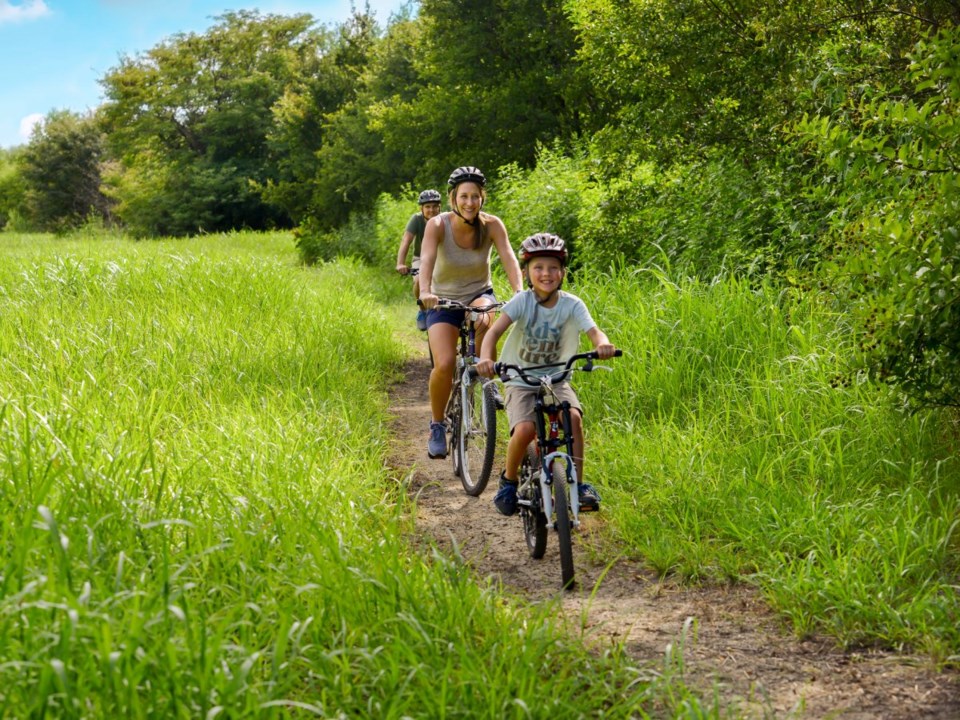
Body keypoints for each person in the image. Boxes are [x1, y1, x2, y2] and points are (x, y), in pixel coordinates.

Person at [476, 233, 616, 516]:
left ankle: (578, 483)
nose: (546, 274)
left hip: (556, 378)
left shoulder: (572, 304)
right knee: (526, 429)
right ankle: (508, 479)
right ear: (527, 272)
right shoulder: (522, 302)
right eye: (538, 267)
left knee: (572, 418)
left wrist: (601, 344)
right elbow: (493, 333)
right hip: (519, 379)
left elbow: (593, 331)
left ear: (563, 272)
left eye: (553, 267)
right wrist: (487, 358)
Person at [418, 166, 524, 459]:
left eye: (475, 196)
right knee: (445, 363)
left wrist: (519, 292)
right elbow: (426, 260)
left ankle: (482, 372)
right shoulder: (437, 225)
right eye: (464, 196)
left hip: (479, 294)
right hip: (443, 300)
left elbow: (509, 258)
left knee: (484, 316)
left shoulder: (492, 225)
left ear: (482, 198)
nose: (469, 202)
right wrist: (425, 291)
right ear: (453, 198)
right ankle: (437, 424)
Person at [396, 189, 443, 330]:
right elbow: (406, 241)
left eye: (435, 206)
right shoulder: (416, 219)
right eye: (427, 207)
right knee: (418, 280)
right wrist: (400, 263)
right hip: (420, 258)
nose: (431, 210)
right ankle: (422, 310)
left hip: (442, 258)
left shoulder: (445, 219)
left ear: (440, 207)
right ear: (421, 208)